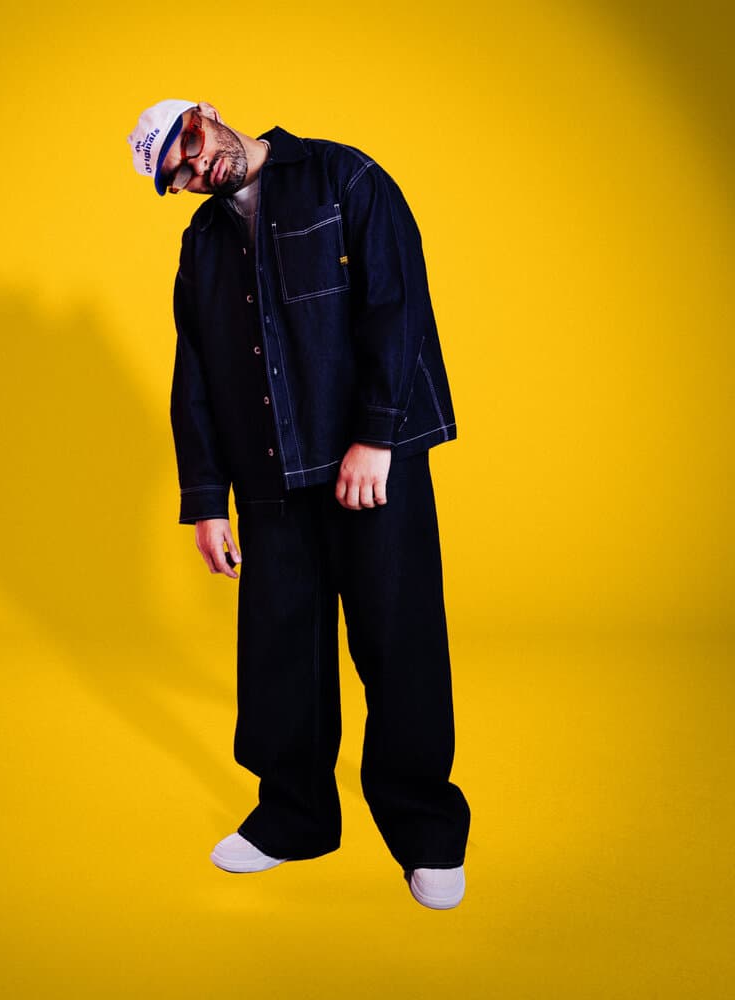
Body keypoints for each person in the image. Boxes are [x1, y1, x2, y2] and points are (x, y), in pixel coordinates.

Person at [127, 100, 471, 909]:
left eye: (188, 147)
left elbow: (398, 304)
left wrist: (377, 436)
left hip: (369, 465)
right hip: (270, 473)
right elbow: (195, 373)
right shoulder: (202, 244)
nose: (193, 170)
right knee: (282, 658)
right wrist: (207, 500)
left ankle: (426, 834)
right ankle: (293, 819)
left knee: (399, 645)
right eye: (174, 177)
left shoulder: (342, 176)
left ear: (208, 116)